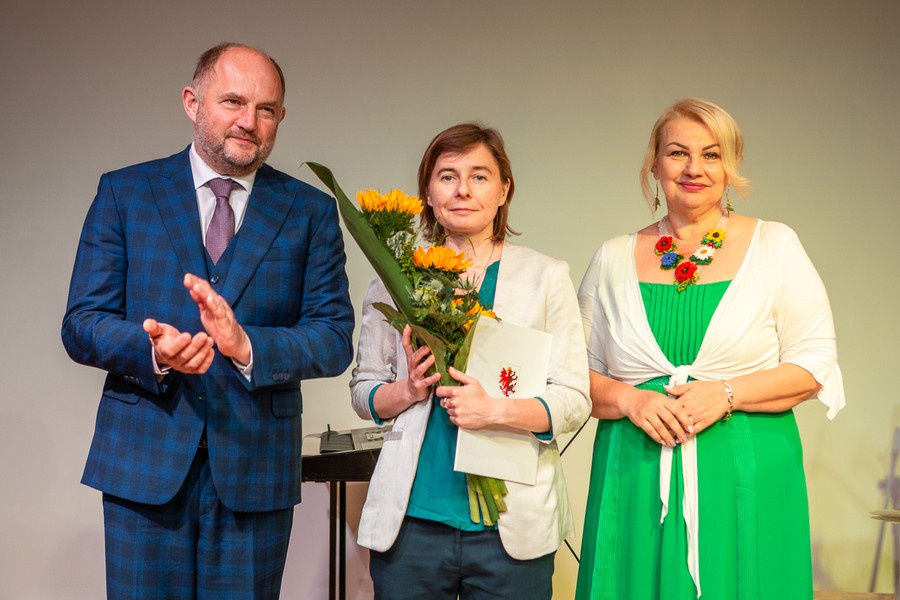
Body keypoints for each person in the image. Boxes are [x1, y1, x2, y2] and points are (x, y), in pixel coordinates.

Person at [61, 42, 354, 599]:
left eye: (266, 109)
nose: (249, 121)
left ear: (281, 117)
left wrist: (248, 347)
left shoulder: (310, 211)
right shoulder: (126, 192)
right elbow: (82, 323)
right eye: (233, 102)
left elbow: (335, 338)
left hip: (255, 471)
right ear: (192, 102)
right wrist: (152, 352)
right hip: (142, 467)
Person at [575, 98, 845, 599]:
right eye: (677, 153)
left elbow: (814, 366)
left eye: (711, 154)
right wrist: (631, 399)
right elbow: (573, 378)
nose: (693, 168)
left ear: (730, 166)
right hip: (633, 476)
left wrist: (726, 393)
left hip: (747, 475)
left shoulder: (776, 246)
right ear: (654, 165)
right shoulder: (611, 258)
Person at [349, 123, 591, 598]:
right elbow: (363, 391)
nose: (463, 189)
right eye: (448, 176)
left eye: (479, 176)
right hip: (411, 524)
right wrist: (407, 390)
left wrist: (495, 410)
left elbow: (573, 398)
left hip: (511, 526)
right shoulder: (395, 279)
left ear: (504, 190)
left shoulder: (545, 277)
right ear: (428, 192)